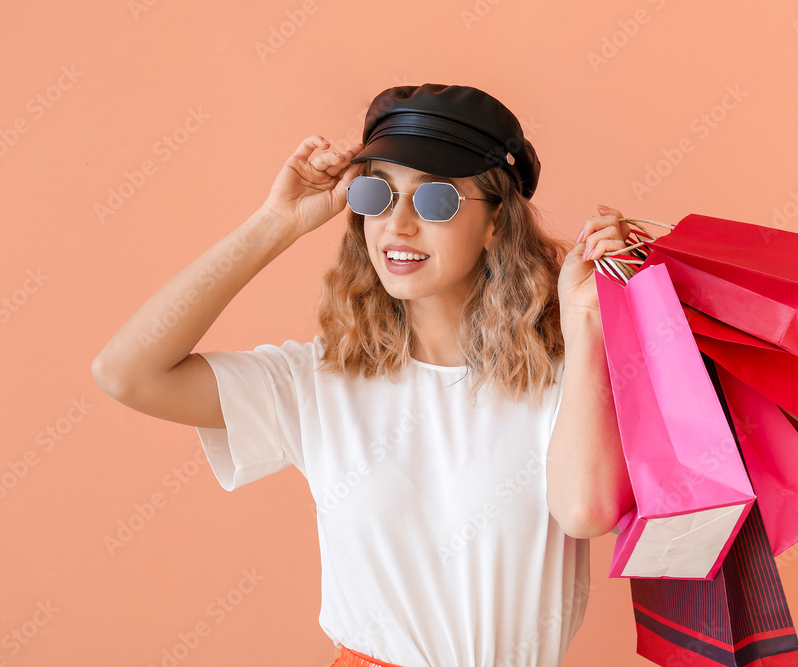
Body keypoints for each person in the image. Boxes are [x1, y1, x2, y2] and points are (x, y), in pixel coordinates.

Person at [92, 83, 635, 667]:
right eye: (378, 194)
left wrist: (585, 324)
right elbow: (127, 373)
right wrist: (277, 221)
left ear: (496, 223)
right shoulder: (319, 381)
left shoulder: (562, 378)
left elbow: (585, 512)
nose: (398, 225)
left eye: (436, 202)